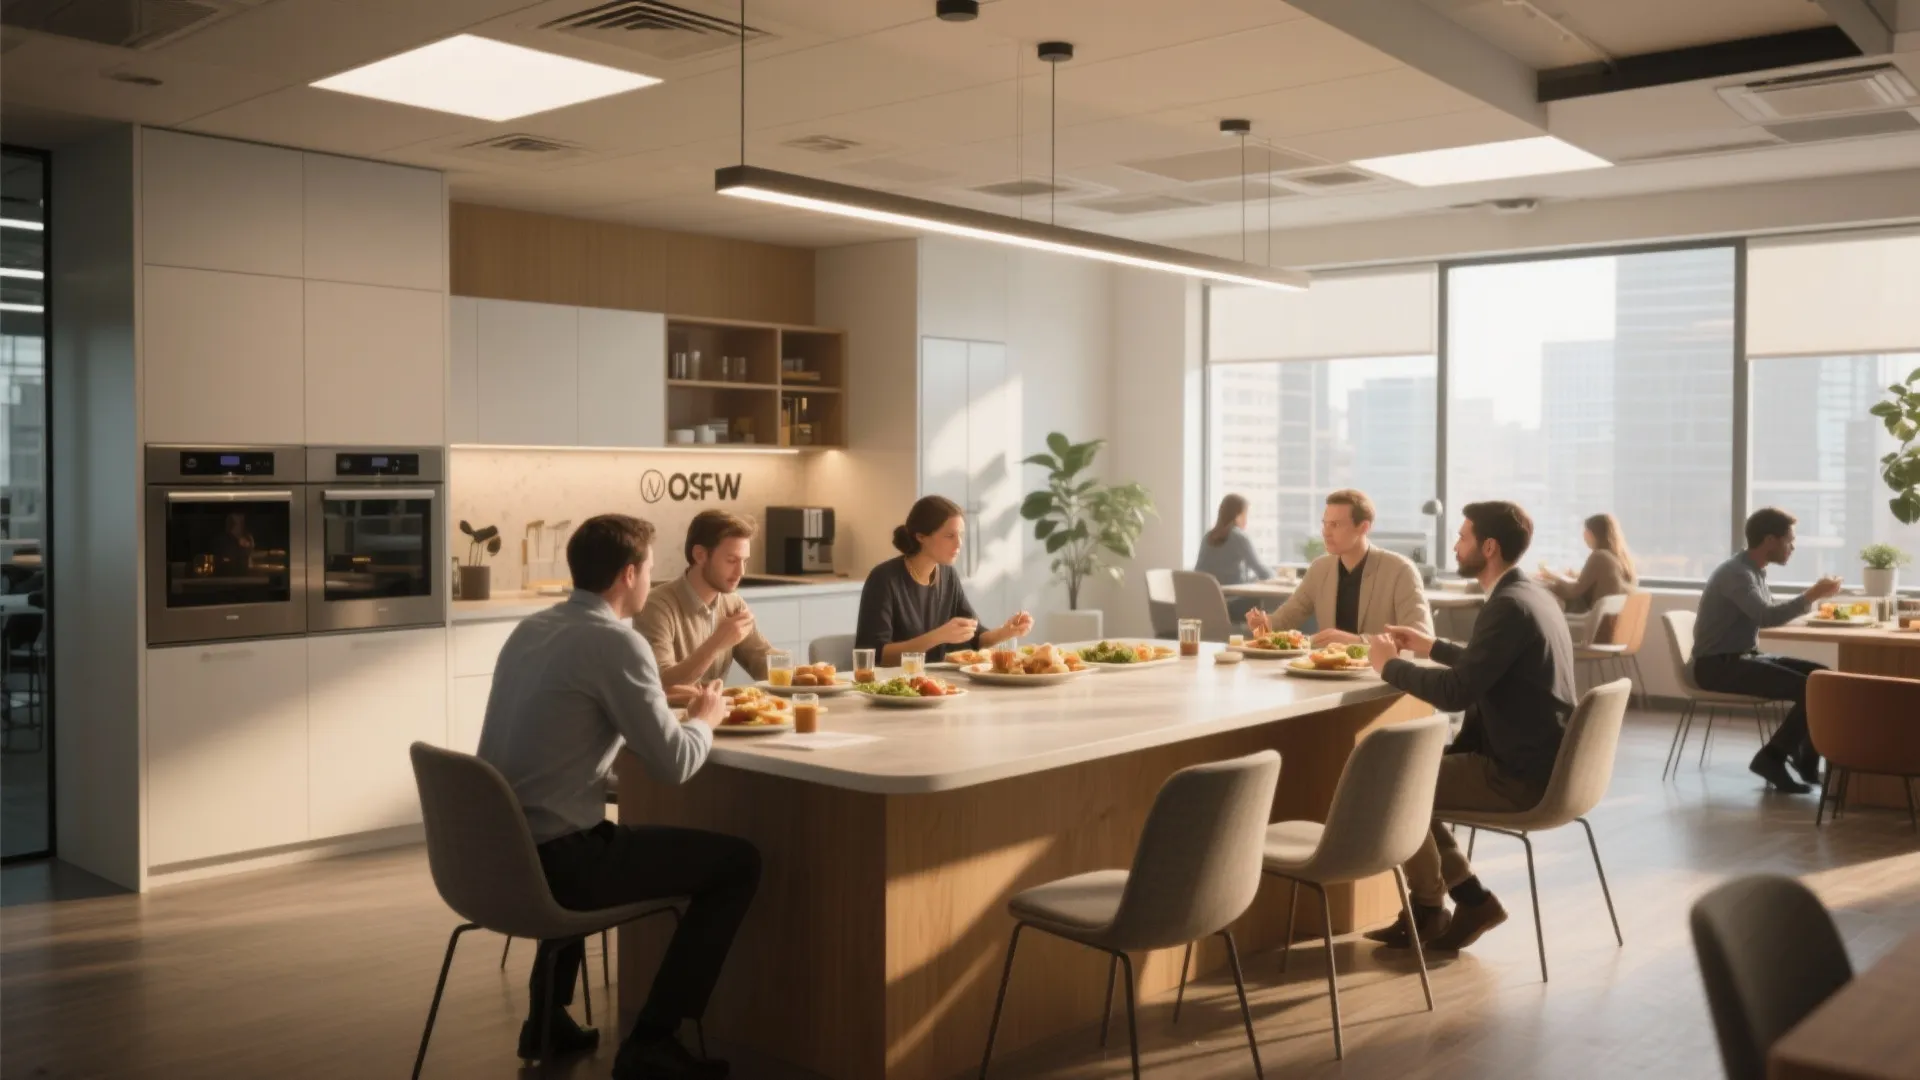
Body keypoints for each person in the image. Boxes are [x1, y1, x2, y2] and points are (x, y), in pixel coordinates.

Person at [477, 514, 757, 1079]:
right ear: (630, 575)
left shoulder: (532, 628)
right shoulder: (616, 643)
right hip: (562, 864)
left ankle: (548, 1017)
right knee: (738, 864)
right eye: (650, 570)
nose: (652, 582)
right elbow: (674, 764)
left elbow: (561, 746)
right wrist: (705, 717)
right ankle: (653, 1040)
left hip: (500, 854)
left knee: (583, 824)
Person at [1363, 501, 1576, 954]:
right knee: (1411, 778)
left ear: (1490, 546)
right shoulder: (1532, 597)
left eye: (1462, 538)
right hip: (1541, 763)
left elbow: (1457, 693)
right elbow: (1492, 669)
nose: (1456, 546)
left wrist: (1389, 666)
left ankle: (1432, 910)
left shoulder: (1508, 607)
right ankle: (1465, 901)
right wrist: (1432, 645)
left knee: (1393, 784)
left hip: (1514, 775)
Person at [1692, 507, 1843, 795]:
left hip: (1741, 657)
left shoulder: (1753, 571)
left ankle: (1806, 759)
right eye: (1790, 540)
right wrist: (1812, 595)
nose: (1793, 547)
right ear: (1770, 540)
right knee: (1809, 688)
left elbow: (1767, 613)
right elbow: (1766, 617)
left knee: (1823, 678)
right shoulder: (1737, 574)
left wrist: (1812, 600)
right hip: (1717, 666)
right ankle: (1772, 758)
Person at [855, 495, 1033, 666]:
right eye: (950, 536)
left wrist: (1007, 632)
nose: (959, 543)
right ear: (921, 537)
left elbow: (976, 637)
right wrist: (938, 636)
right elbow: (876, 656)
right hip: (891, 688)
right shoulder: (884, 579)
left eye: (960, 535)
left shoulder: (948, 575)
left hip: (936, 685)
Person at [1246, 489, 1433, 646]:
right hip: (1327, 672)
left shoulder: (1400, 571)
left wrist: (1357, 642)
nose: (1326, 532)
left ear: (1363, 527)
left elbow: (1421, 637)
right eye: (1325, 524)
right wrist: (1264, 624)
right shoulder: (1320, 568)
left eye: (1335, 525)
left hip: (1382, 675)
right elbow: (1287, 618)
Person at [637, 509, 773, 688]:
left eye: (744, 561)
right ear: (700, 555)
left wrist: (808, 672)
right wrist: (717, 642)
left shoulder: (733, 603)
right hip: (674, 715)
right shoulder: (657, 606)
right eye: (731, 560)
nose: (741, 572)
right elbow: (662, 683)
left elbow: (761, 659)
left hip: (719, 713)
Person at [1537, 512, 1637, 615]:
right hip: (1608, 618)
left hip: (1588, 616)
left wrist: (1553, 575)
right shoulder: (1621, 559)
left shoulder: (1599, 556)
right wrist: (1574, 575)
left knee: (1543, 589)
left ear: (1591, 533)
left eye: (1586, 531)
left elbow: (1574, 590)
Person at [1195, 494, 1273, 623]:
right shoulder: (1238, 537)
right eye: (1245, 514)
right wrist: (1281, 576)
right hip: (1229, 605)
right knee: (1267, 605)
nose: (1246, 520)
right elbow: (1263, 572)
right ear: (1238, 515)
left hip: (1204, 606)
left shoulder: (1208, 536)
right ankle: (1263, 641)